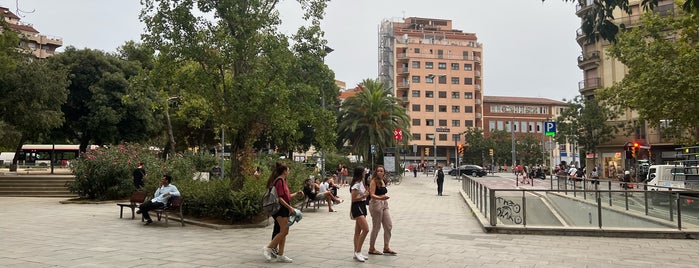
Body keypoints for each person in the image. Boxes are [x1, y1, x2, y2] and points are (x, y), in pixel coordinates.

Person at [263, 162, 303, 263]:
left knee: (283, 232)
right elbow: (280, 198)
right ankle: (268, 247)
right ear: (284, 171)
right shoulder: (279, 181)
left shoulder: (283, 181)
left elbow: (287, 196)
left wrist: (297, 194)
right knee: (284, 231)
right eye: (288, 170)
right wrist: (289, 207)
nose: (289, 172)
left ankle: (280, 255)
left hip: (284, 209)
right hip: (280, 209)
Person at [367, 166, 396, 256]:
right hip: (376, 203)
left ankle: (386, 247)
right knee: (376, 227)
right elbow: (371, 194)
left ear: (384, 172)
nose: (380, 172)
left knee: (388, 225)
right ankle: (371, 248)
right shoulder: (373, 181)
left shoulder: (383, 180)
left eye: (381, 171)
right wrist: (380, 197)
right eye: (378, 171)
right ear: (376, 172)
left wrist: (383, 198)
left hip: (384, 203)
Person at [350, 166, 370, 262]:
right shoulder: (356, 184)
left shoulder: (361, 182)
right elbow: (353, 199)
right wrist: (364, 195)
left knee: (358, 231)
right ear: (360, 173)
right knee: (366, 229)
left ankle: (356, 252)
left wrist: (365, 194)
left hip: (362, 206)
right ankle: (358, 251)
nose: (365, 173)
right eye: (363, 172)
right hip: (357, 207)